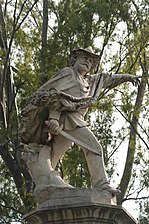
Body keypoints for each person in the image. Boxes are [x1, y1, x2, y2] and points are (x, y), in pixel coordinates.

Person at [20, 47, 140, 198]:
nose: (87, 62)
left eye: (90, 61)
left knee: (52, 153)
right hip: (68, 120)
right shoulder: (67, 73)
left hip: (75, 121)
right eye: (84, 58)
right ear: (73, 60)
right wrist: (54, 119)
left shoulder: (90, 81)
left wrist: (128, 77)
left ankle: (47, 182)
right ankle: (102, 185)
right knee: (95, 148)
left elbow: (109, 78)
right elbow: (54, 96)